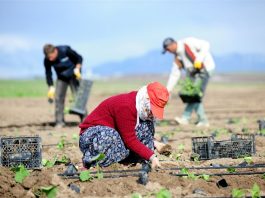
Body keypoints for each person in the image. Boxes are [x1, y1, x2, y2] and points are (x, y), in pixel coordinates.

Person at [79, 82, 169, 169]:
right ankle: (91, 161)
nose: (151, 113)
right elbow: (130, 139)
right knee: (110, 135)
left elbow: (134, 131)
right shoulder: (126, 106)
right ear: (146, 100)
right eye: (152, 109)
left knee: (146, 125)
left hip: (116, 135)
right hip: (92, 137)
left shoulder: (139, 106)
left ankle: (128, 160)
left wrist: (154, 143)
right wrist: (152, 157)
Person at [162, 37, 215, 127]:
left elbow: (206, 44)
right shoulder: (177, 57)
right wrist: (168, 90)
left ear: (172, 44)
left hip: (205, 69)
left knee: (194, 94)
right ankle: (187, 118)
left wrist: (199, 59)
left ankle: (200, 120)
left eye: (167, 49)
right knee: (192, 95)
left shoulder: (188, 42)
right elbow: (175, 74)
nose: (168, 52)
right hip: (194, 74)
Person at [43, 44, 83, 128]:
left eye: (51, 57)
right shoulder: (47, 60)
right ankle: (59, 122)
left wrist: (78, 68)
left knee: (79, 97)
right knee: (58, 98)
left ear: (55, 51)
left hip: (74, 74)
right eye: (48, 57)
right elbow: (48, 73)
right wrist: (50, 86)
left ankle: (85, 120)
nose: (50, 59)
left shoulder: (65, 50)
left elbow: (79, 58)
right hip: (61, 77)